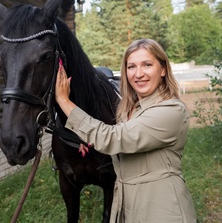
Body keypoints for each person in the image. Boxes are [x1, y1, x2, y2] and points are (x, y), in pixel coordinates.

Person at [55, 39, 197, 223]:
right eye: (131, 67)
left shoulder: (170, 110)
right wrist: (84, 139)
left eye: (147, 65)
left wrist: (64, 101)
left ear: (162, 69)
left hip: (162, 209)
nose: (138, 74)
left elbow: (114, 139)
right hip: (129, 207)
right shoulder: (132, 110)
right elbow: (116, 138)